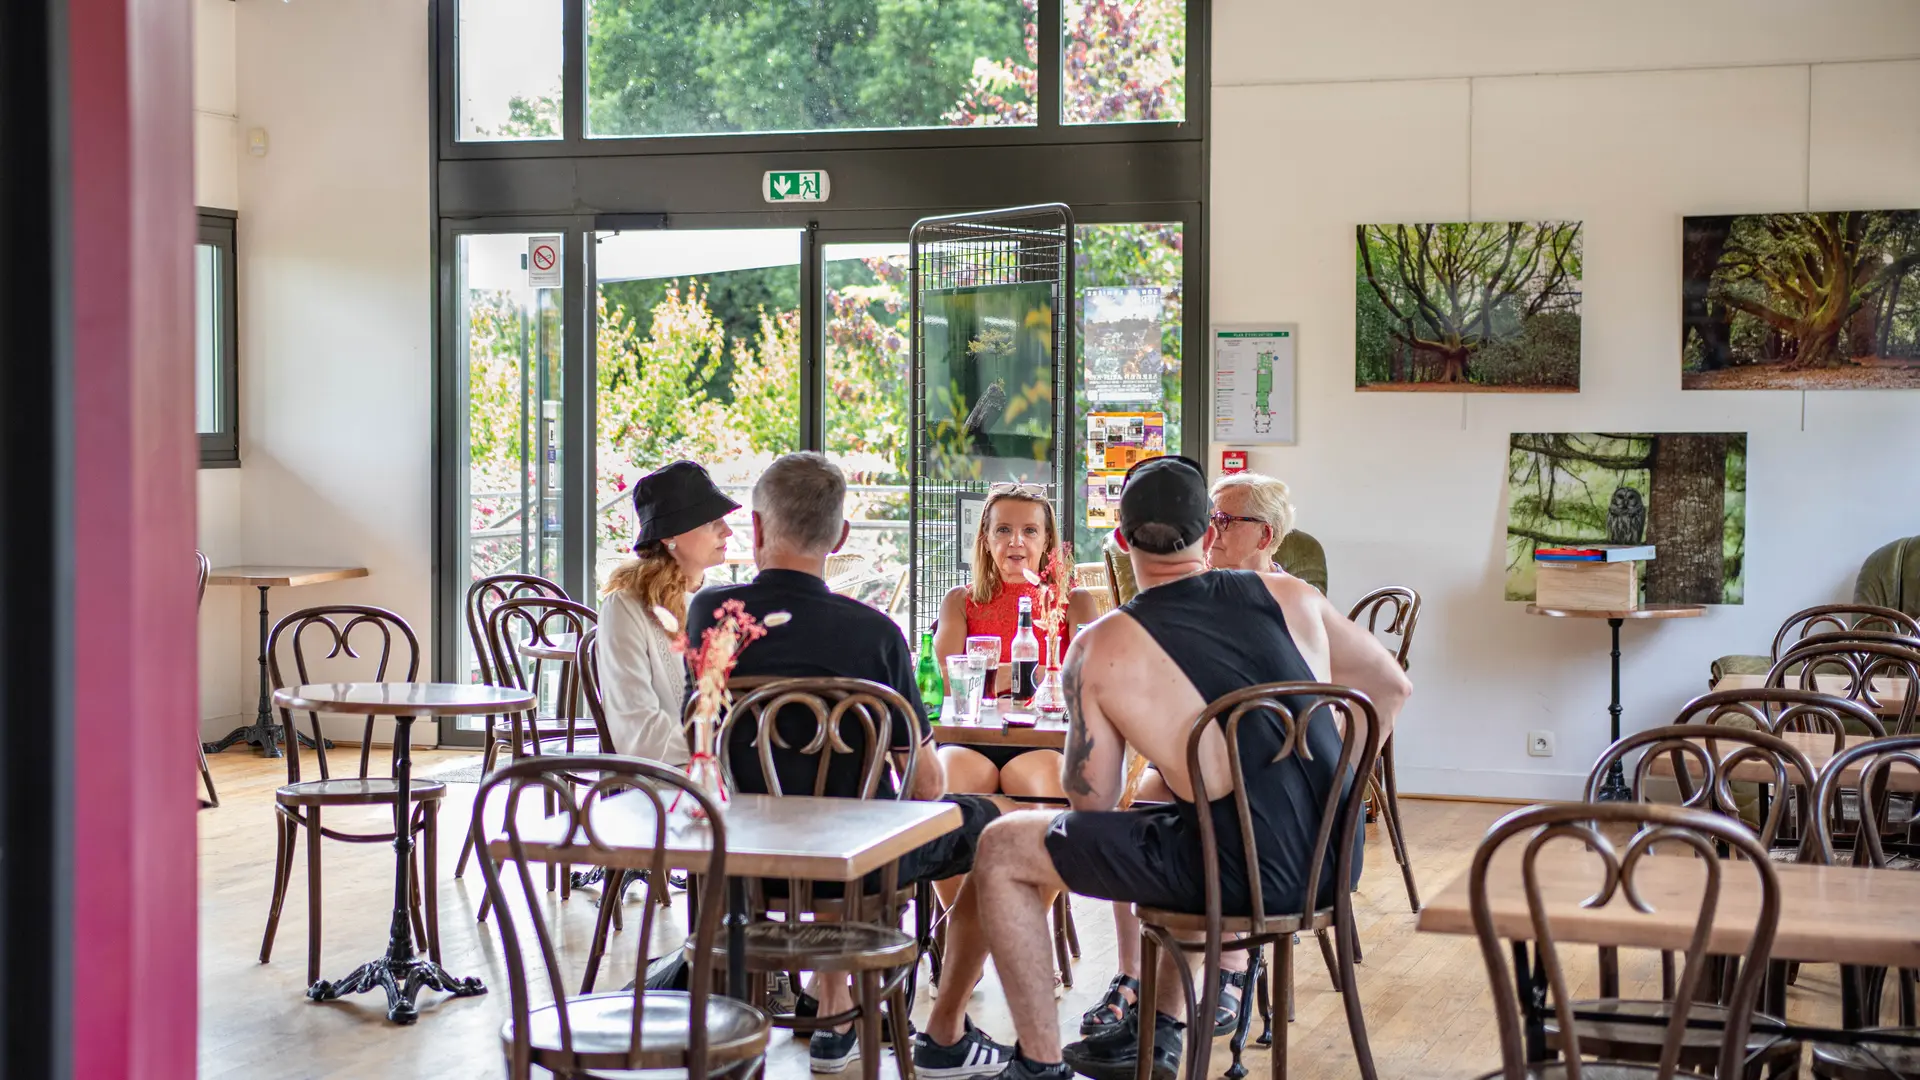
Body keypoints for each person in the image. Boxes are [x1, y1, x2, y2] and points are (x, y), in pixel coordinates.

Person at [962, 456, 1413, 1080]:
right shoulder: (1291, 595)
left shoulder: (1102, 644)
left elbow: (1091, 807)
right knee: (1184, 815)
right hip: (1333, 860)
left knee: (1005, 845)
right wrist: (1340, 791)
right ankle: (1163, 1028)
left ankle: (1038, 1064)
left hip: (1235, 874)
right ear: (1208, 531)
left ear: (1121, 541)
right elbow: (1391, 687)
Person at [686, 452, 1014, 1079]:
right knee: (998, 831)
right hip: (862, 870)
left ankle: (830, 1001)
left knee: (853, 830)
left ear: (755, 530)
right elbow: (924, 785)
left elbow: (698, 739)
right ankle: (934, 1026)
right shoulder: (876, 635)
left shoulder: (712, 617)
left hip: (745, 857)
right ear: (840, 538)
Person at [933, 484, 1099, 800]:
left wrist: (986, 676)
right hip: (970, 737)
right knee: (947, 780)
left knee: (1046, 781)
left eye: (1030, 531)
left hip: (1043, 740)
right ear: (985, 539)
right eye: (1004, 530)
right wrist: (1025, 674)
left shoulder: (1073, 601)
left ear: (1047, 539)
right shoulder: (960, 600)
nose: (1016, 542)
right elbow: (937, 681)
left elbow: (1090, 682)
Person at [597, 460, 736, 765]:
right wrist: (724, 752)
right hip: (662, 784)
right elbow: (637, 733)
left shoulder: (724, 602)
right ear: (668, 536)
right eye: (710, 521)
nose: (727, 530)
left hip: (727, 772)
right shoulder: (625, 608)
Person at [1206, 472, 1295, 574]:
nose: (1210, 532)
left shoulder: (1298, 590)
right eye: (1209, 519)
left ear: (1264, 534)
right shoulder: (1195, 586)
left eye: (1223, 520)